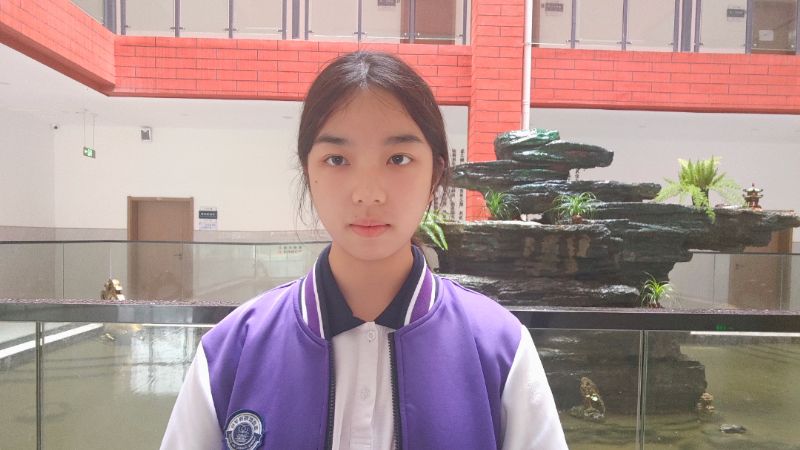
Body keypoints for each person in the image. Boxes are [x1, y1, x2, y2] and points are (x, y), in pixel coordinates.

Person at [161, 51, 567, 450]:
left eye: (398, 158)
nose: (368, 194)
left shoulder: (500, 348)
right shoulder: (232, 351)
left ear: (435, 174)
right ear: (308, 172)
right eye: (337, 159)